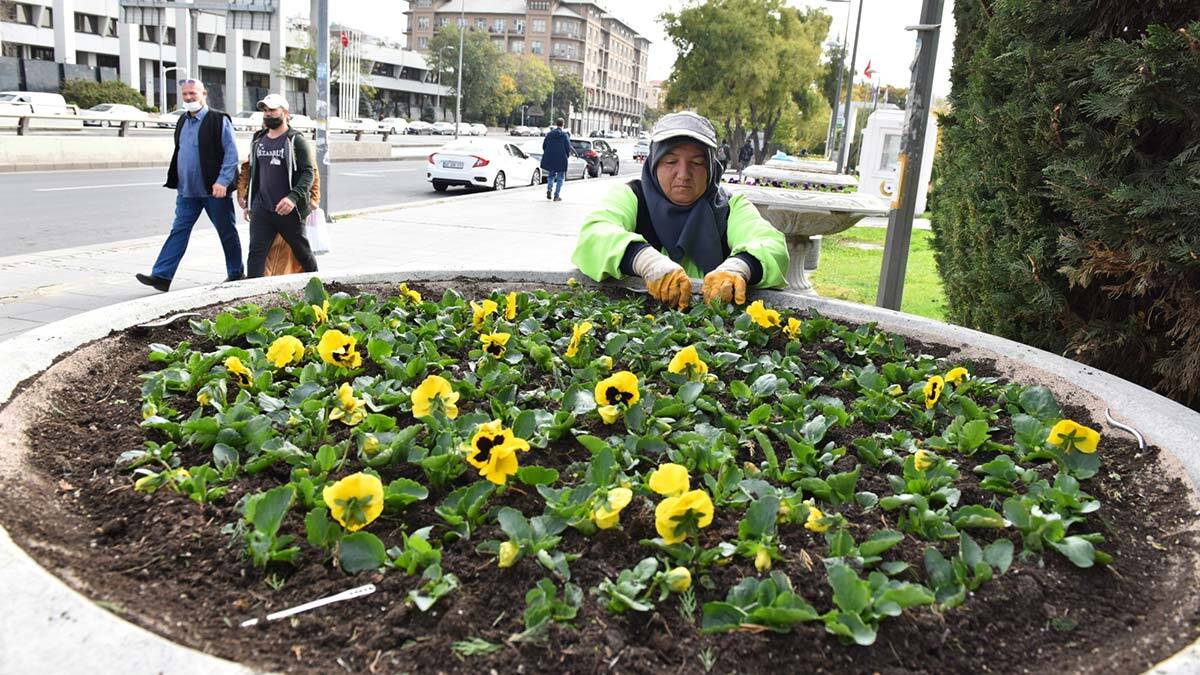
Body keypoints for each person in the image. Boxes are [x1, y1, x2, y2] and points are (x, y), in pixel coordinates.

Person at [572, 111, 787, 310]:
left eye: (696, 163)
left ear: (711, 169)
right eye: (670, 161)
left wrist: (738, 268)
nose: (683, 174)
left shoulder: (730, 207)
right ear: (654, 163)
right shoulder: (633, 198)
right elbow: (594, 234)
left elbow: (771, 245)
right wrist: (645, 261)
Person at [136, 79, 242, 292]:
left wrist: (223, 181)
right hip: (187, 192)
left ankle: (236, 273)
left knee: (226, 231)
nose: (188, 98)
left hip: (215, 191)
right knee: (179, 231)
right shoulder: (182, 121)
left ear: (203, 93)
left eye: (193, 93)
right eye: (185, 94)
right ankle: (162, 276)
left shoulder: (218, 120)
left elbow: (231, 154)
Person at [241, 94, 318, 278]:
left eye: (272, 110)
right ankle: (252, 298)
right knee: (255, 255)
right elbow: (253, 171)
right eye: (265, 111)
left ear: (284, 113)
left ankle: (319, 286)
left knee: (302, 252)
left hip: (289, 211)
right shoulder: (258, 139)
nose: (268, 114)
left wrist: (292, 198)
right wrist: (250, 202)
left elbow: (309, 172)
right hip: (262, 209)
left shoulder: (295, 140)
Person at [541, 117, 572, 202]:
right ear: (563, 124)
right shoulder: (565, 135)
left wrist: (549, 153)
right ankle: (556, 196)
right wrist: (566, 156)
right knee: (560, 177)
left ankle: (549, 189)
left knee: (551, 175)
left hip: (551, 158)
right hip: (561, 159)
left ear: (556, 123)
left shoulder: (550, 134)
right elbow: (568, 148)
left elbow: (544, 146)